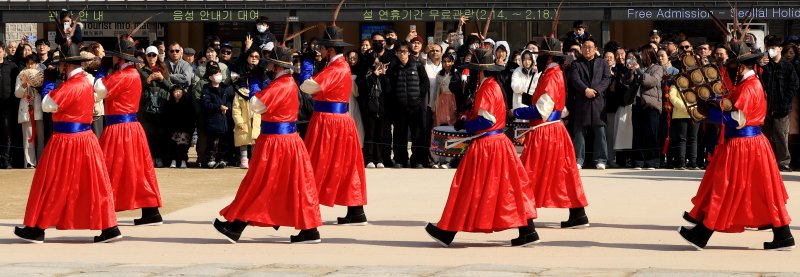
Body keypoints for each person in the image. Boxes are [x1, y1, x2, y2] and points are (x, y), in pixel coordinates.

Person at [679, 44, 795, 251]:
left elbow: (736, 119)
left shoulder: (750, 86)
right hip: (750, 145)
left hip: (743, 145)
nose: (730, 69)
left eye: (733, 65)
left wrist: (710, 113)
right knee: (763, 191)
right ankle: (783, 235)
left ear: (740, 67)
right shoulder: (749, 83)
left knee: (725, 187)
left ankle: (702, 233)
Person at [425, 48, 538, 247]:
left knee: (467, 186)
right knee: (510, 187)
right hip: (498, 144)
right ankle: (528, 230)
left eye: (475, 69)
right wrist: (467, 117)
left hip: (487, 145)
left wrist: (466, 125)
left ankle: (447, 231)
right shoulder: (493, 86)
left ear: (480, 71)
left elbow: (487, 121)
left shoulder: (487, 88)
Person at [214, 45, 323, 244]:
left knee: (259, 183)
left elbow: (257, 106)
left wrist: (254, 83)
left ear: (276, 66)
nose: (269, 66)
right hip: (287, 142)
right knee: (293, 185)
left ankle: (235, 226)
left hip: (276, 144)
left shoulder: (281, 85)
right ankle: (309, 229)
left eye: (271, 63)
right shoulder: (285, 82)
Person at [13, 45, 121, 243]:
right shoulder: (83, 82)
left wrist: (47, 83)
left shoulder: (71, 85)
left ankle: (37, 228)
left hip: (66, 141)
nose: (60, 68)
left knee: (50, 182)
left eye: (61, 65)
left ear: (66, 65)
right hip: (84, 140)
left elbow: (47, 105)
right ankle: (109, 227)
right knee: (93, 184)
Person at [510, 36, 590, 229]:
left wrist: (516, 112)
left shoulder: (551, 76)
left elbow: (541, 111)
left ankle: (524, 219)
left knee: (528, 173)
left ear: (546, 58)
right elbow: (561, 109)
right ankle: (578, 213)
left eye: (540, 55)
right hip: (556, 130)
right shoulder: (554, 73)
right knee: (565, 173)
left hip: (545, 132)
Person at [299, 23, 368, 225]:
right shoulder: (338, 66)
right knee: (347, 166)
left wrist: (305, 68)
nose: (319, 51)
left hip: (329, 123)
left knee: (316, 164)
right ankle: (356, 211)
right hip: (337, 122)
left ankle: (307, 210)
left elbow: (309, 87)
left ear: (329, 50)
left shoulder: (337, 68)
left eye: (321, 48)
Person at [94, 40, 163, 225]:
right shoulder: (130, 73)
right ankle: (150, 211)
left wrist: (101, 71)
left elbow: (99, 90)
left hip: (119, 129)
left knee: (107, 169)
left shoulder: (124, 75)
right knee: (138, 170)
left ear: (118, 57)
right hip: (128, 127)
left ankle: (102, 208)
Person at [569, 37, 612, 169]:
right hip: (582, 100)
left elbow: (606, 79)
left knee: (600, 131)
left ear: (596, 49)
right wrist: (585, 90)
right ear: (581, 49)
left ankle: (601, 159)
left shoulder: (603, 62)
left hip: (598, 101)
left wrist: (596, 91)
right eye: (584, 47)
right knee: (579, 132)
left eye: (590, 47)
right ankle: (578, 159)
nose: (587, 49)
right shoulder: (576, 64)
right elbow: (575, 79)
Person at [387, 41, 430, 168]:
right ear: (396, 53)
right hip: (400, 107)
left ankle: (417, 160)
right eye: (400, 52)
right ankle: (400, 159)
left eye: (404, 52)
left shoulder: (417, 65)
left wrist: (418, 97)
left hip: (416, 107)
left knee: (417, 134)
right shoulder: (393, 68)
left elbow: (425, 82)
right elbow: (390, 87)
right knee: (400, 134)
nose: (402, 54)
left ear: (409, 53)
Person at [761, 35, 799, 172]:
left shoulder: (787, 66)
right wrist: (760, 66)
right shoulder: (765, 66)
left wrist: (786, 102)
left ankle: (783, 163)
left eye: (773, 48)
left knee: (781, 136)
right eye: (768, 48)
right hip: (766, 108)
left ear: (780, 49)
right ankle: (766, 161)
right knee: (765, 137)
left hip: (781, 109)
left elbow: (794, 85)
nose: (770, 50)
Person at [624, 45, 665, 170]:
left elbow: (651, 82)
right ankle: (638, 161)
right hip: (637, 103)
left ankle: (652, 161)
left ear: (649, 54)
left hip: (651, 105)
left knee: (651, 134)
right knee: (637, 134)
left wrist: (639, 71)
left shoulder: (658, 68)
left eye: (642, 54)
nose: (639, 57)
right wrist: (631, 70)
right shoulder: (638, 67)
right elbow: (627, 81)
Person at [139, 46, 173, 168]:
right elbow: (137, 89)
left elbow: (170, 87)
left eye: (154, 55)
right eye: (149, 55)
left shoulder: (164, 68)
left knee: (161, 134)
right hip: (147, 107)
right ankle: (151, 158)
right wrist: (148, 80)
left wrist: (162, 79)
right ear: (146, 56)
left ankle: (160, 157)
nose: (152, 58)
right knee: (149, 134)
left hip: (162, 105)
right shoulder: (142, 70)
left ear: (157, 56)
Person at [232, 50, 264, 169]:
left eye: (257, 56)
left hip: (257, 103)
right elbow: (236, 109)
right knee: (244, 139)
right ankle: (244, 160)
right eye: (251, 56)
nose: (254, 58)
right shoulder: (241, 70)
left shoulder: (262, 70)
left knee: (256, 138)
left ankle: (255, 160)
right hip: (244, 103)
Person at [14, 54, 43, 169]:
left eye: (32, 63)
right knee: (28, 137)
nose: (30, 65)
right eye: (28, 63)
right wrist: (24, 85)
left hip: (39, 109)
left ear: (36, 64)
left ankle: (41, 161)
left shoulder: (41, 73)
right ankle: (30, 162)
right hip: (26, 108)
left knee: (41, 137)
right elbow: (17, 94)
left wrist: (36, 85)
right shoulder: (21, 75)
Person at [201, 65, 233, 169]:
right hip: (212, 120)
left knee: (223, 142)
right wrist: (218, 107)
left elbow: (229, 101)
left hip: (224, 120)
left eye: (219, 73)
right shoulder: (207, 89)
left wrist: (227, 107)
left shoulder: (225, 88)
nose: (219, 75)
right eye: (216, 74)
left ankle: (222, 159)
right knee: (212, 142)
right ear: (210, 77)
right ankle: (211, 159)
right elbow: (206, 104)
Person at [164, 84, 194, 169]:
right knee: (173, 145)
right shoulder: (169, 104)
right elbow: (166, 117)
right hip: (173, 129)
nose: (177, 93)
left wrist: (189, 128)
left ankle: (183, 160)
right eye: (175, 91)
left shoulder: (188, 104)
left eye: (179, 91)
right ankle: (173, 160)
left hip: (185, 129)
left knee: (183, 146)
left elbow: (191, 117)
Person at [0, 42, 20, 169]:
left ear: (3, 51)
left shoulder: (12, 66)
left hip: (8, 105)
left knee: (7, 133)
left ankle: (6, 160)